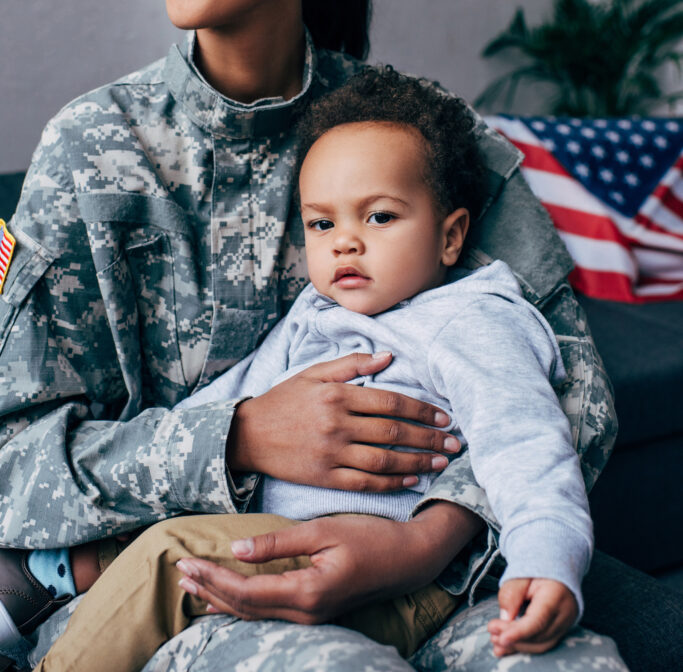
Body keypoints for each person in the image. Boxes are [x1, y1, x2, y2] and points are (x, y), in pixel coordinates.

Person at [0, 0, 628, 672]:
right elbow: (12, 463)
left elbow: (575, 398)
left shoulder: (424, 135)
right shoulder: (92, 153)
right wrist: (239, 437)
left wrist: (426, 539)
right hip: (195, 587)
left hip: (441, 569)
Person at [31, 65, 602, 672]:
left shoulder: (469, 321)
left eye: (379, 217)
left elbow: (526, 441)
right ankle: (47, 589)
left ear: (451, 236)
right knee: (158, 543)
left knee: (171, 558)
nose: (344, 243)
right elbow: (237, 400)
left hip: (397, 583)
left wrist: (546, 559)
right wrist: (198, 443)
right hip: (286, 543)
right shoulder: (317, 312)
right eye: (322, 223)